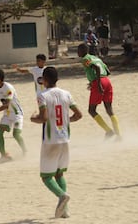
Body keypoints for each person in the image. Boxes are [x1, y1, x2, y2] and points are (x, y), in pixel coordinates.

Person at [30, 66, 82, 218]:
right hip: (65, 138)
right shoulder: (66, 94)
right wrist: (66, 121)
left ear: (44, 80)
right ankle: (64, 211)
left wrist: (33, 118)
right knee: (59, 174)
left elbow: (43, 118)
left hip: (50, 140)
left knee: (46, 177)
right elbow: (78, 115)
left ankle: (62, 196)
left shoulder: (42, 95)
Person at [77, 44, 121, 140]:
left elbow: (96, 68)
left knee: (91, 110)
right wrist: (95, 81)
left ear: (84, 50)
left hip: (98, 83)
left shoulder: (85, 59)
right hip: (106, 81)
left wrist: (97, 83)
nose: (77, 52)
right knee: (109, 110)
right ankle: (119, 135)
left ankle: (109, 131)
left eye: (79, 50)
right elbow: (107, 71)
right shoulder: (96, 58)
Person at [0, 69, 27, 161]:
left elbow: (6, 105)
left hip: (16, 114)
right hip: (7, 115)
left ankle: (25, 151)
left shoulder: (8, 88)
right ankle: (4, 155)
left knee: (16, 135)